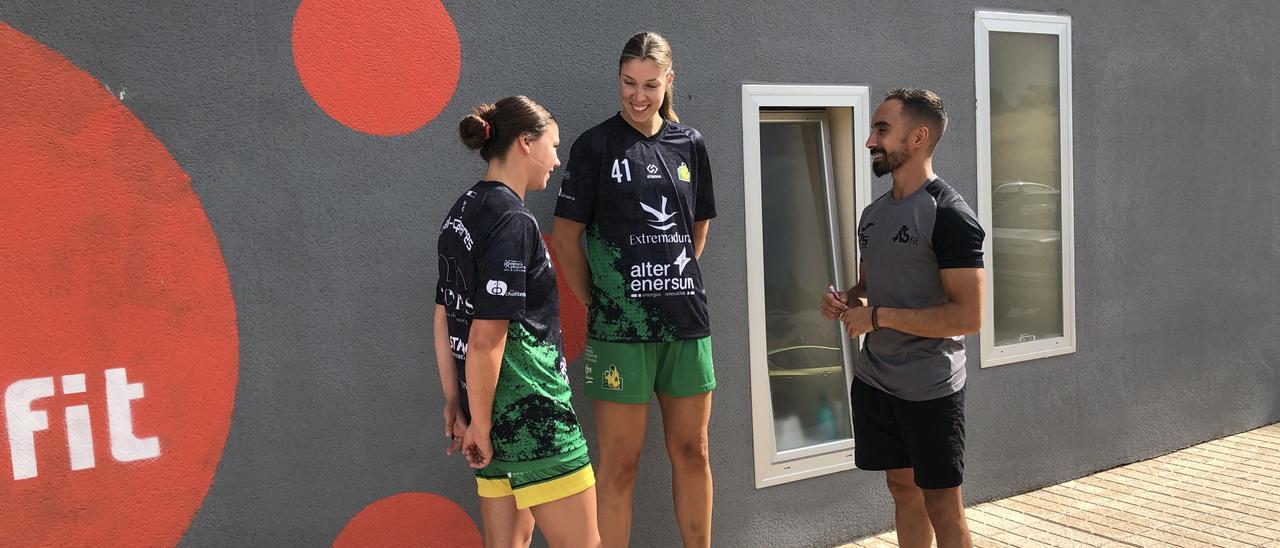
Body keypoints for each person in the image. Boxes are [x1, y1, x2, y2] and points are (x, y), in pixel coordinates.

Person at [549, 32, 717, 548]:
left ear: (669, 81)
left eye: (649, 84)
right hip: (618, 332)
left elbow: (697, 229)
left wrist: (670, 281)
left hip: (686, 326)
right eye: (628, 83)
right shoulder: (594, 146)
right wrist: (601, 300)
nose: (637, 95)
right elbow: (565, 239)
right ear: (618, 80)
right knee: (620, 464)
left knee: (694, 452)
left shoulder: (690, 144)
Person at [821, 88, 985, 548]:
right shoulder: (873, 216)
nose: (870, 141)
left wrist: (877, 318)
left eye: (881, 130)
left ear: (918, 137)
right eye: (873, 129)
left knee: (943, 508)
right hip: (877, 381)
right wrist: (845, 299)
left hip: (930, 387)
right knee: (902, 491)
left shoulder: (950, 216)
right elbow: (870, 285)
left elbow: (968, 315)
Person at [434, 95, 600, 548]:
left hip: (483, 419)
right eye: (553, 145)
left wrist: (458, 402)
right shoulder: (513, 219)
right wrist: (482, 424)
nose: (557, 159)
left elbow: (445, 312)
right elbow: (487, 337)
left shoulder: (460, 213)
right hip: (534, 421)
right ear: (526, 143)